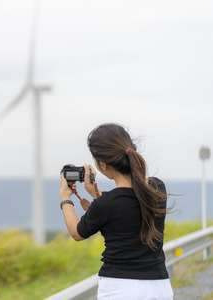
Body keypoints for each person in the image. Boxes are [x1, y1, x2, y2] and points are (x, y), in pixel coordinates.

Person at [59, 123, 173, 300]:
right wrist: (95, 194)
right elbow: (127, 204)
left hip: (119, 289)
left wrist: (65, 197)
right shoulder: (157, 187)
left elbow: (76, 232)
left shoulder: (105, 204)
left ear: (103, 165)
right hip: (159, 287)